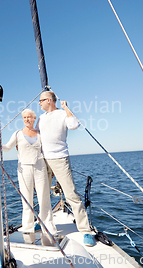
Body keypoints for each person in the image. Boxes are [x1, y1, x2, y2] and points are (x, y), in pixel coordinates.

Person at [36, 90, 95, 246]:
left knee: (71, 195)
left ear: (49, 100)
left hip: (60, 158)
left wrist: (66, 108)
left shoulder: (62, 114)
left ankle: (85, 231)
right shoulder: (41, 118)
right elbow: (35, 135)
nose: (39, 103)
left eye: (41, 100)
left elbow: (74, 125)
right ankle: (43, 223)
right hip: (43, 159)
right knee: (43, 195)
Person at [2, 109, 57, 245]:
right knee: (26, 200)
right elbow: (7, 147)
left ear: (34, 119)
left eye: (29, 117)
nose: (27, 119)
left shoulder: (40, 134)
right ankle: (27, 228)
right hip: (24, 169)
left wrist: (52, 168)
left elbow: (46, 151)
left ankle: (48, 226)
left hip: (40, 167)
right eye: (25, 117)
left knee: (44, 198)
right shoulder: (17, 134)